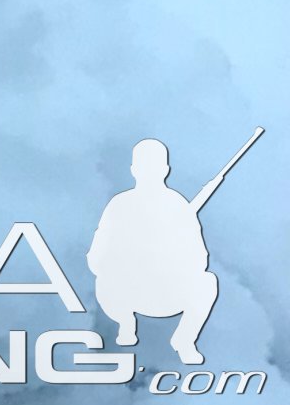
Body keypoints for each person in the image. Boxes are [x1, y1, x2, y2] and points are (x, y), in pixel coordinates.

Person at [91, 139, 221, 365]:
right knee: (104, 280)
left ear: (166, 170)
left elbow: (199, 259)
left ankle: (184, 340)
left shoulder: (178, 206)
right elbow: (97, 257)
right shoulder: (119, 205)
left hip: (167, 293)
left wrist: (168, 256)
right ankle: (126, 323)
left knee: (207, 283)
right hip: (125, 292)